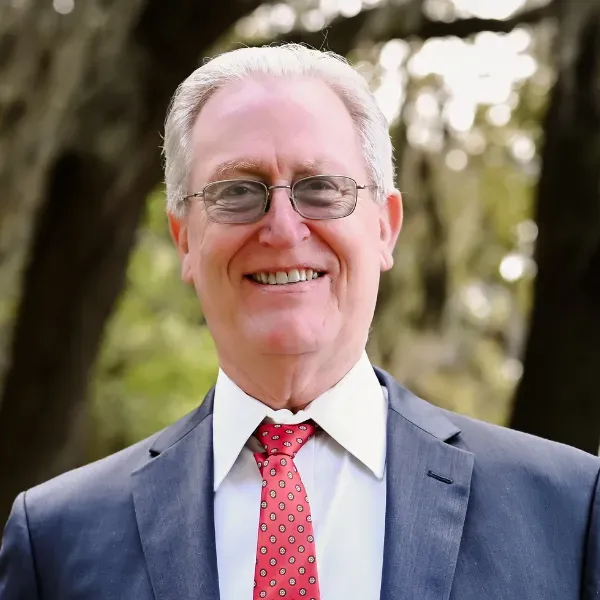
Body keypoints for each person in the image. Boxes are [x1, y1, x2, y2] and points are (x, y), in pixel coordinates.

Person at [0, 43, 598, 600]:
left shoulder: (566, 509)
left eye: (321, 189)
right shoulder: (57, 538)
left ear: (386, 226)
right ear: (184, 238)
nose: (284, 230)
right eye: (237, 191)